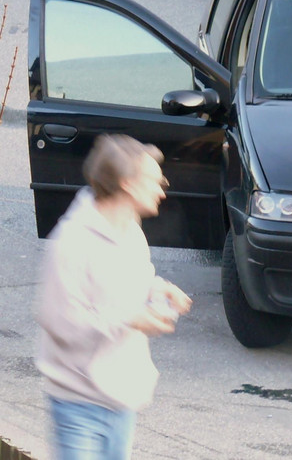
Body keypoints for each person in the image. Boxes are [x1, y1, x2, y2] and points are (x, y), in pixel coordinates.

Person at [34, 134, 192, 460]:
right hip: (79, 406)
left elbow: (132, 282)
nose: (162, 188)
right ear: (128, 185)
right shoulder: (72, 242)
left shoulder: (130, 230)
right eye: (154, 180)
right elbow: (60, 321)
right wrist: (130, 317)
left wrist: (157, 288)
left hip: (122, 400)